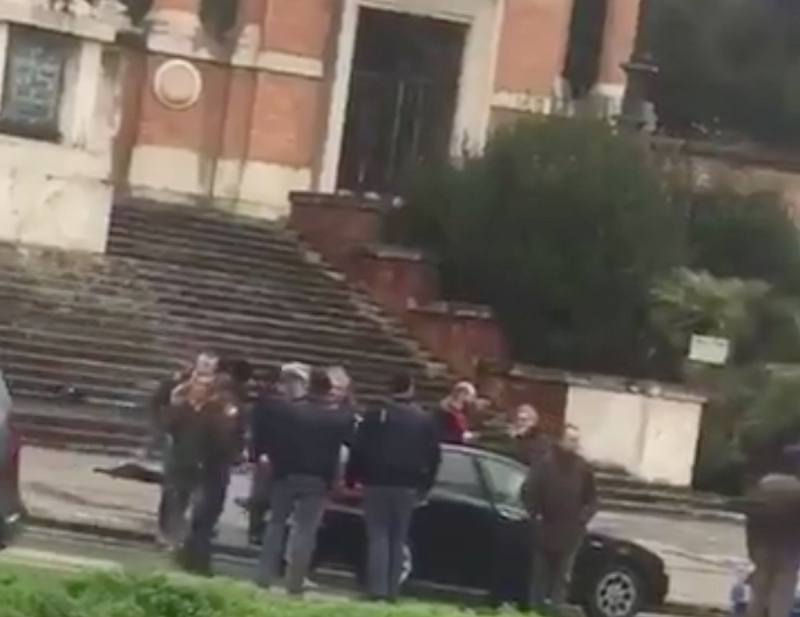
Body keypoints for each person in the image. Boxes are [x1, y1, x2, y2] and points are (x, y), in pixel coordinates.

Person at [255, 368, 354, 595]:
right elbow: (341, 445)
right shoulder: (336, 420)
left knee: (276, 524)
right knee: (305, 531)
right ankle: (295, 581)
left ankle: (264, 575)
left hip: (286, 475)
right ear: (328, 391)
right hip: (316, 480)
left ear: (308, 387)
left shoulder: (288, 412)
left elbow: (274, 441)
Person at [346, 372, 442, 602]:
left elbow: (358, 448)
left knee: (378, 536)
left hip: (376, 482)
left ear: (389, 389)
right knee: (398, 538)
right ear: (411, 387)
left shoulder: (377, 415)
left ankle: (376, 589)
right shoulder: (424, 419)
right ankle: (392, 591)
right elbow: (433, 456)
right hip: (408, 485)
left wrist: (352, 477)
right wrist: (425, 485)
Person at [169, 352, 247, 575]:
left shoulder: (221, 408)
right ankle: (193, 557)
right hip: (193, 464)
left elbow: (233, 432)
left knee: (206, 514)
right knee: (197, 512)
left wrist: (236, 453)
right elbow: (172, 428)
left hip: (214, 466)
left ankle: (192, 555)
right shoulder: (184, 406)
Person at [521, 423, 597, 615]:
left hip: (570, 534)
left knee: (561, 580)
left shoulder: (583, 468)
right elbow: (528, 492)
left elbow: (592, 499)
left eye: (577, 440)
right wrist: (535, 517)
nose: (575, 444)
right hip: (544, 532)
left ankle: (556, 611)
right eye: (572, 439)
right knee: (539, 579)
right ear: (562, 440)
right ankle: (535, 611)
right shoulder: (545, 464)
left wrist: (582, 519)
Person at [742, 437, 800, 617]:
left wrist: (751, 549)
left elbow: (751, 519)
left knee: (758, 590)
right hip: (789, 549)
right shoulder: (797, 490)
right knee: (782, 592)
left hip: (761, 547)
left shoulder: (764, 485)